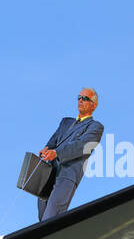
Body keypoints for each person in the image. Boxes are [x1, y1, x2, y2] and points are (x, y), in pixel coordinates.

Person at [37, 88, 103, 220]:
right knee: (42, 216)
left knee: (52, 214)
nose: (80, 100)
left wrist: (56, 153)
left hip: (67, 175)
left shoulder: (95, 127)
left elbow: (81, 146)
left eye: (85, 98)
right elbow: (54, 139)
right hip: (50, 172)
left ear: (93, 105)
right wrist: (46, 148)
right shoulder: (66, 122)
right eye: (79, 97)